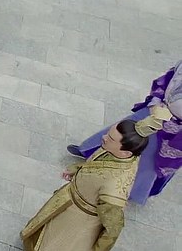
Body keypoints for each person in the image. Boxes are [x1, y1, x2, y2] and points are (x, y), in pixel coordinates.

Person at [21, 119, 151, 251]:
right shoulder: (124, 154)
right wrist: (77, 169)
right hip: (71, 202)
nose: (104, 137)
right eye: (108, 133)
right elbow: (97, 165)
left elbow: (113, 228)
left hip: (77, 220)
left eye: (111, 139)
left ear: (126, 153)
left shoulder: (113, 190)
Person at [67, 59, 182, 204]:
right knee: (120, 132)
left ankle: (128, 193)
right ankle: (90, 153)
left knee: (149, 161)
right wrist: (155, 102)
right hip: (157, 109)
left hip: (175, 135)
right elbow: (168, 78)